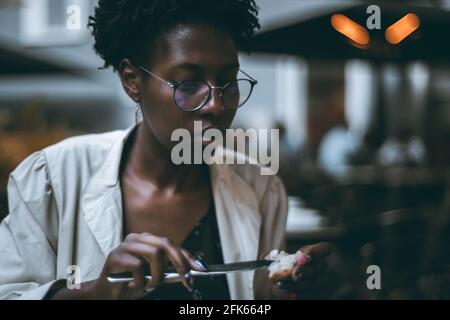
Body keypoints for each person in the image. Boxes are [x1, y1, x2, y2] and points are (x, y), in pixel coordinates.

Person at [0, 0, 331, 300]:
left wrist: (287, 287)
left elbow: (257, 299)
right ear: (132, 81)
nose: (215, 105)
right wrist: (94, 294)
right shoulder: (51, 179)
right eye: (188, 85)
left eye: (229, 82)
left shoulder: (259, 186)